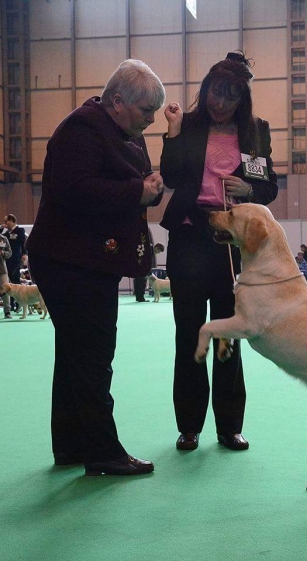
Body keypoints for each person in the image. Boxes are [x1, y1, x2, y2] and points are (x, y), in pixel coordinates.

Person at [26, 59, 166, 476]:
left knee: (75, 354)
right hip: (69, 261)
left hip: (83, 260)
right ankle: (103, 452)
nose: (151, 120)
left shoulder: (125, 133)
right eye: (146, 111)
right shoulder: (81, 129)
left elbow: (136, 186)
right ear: (118, 102)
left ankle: (71, 446)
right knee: (92, 355)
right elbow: (74, 190)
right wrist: (136, 191)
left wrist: (149, 190)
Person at [159, 51, 278, 452]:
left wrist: (248, 190)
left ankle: (229, 427)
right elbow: (173, 177)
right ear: (205, 89)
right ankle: (189, 425)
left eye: (229, 97)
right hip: (192, 236)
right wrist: (173, 131)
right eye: (214, 93)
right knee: (189, 334)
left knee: (229, 335)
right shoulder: (188, 125)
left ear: (241, 101)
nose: (219, 103)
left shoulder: (256, 131)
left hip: (231, 245)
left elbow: (268, 188)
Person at [1, 214, 27, 312]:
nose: (5, 223)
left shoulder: (20, 230)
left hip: (16, 259)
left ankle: (19, 304)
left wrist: (24, 253)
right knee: (8, 284)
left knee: (16, 281)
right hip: (6, 260)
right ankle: (10, 305)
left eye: (6, 221)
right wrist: (1, 228)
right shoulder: (6, 232)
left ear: (12, 220)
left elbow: (23, 243)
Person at [133, 235, 165, 302]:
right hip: (141, 268)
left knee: (139, 282)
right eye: (158, 251)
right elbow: (147, 263)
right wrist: (150, 274)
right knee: (141, 282)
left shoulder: (148, 248)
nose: (157, 253)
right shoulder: (149, 251)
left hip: (138, 267)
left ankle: (139, 297)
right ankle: (141, 298)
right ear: (156, 247)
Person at [0, 232, 12, 319]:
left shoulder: (4, 238)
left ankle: (7, 311)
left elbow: (10, 252)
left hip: (2, 269)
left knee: (6, 290)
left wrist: (3, 253)